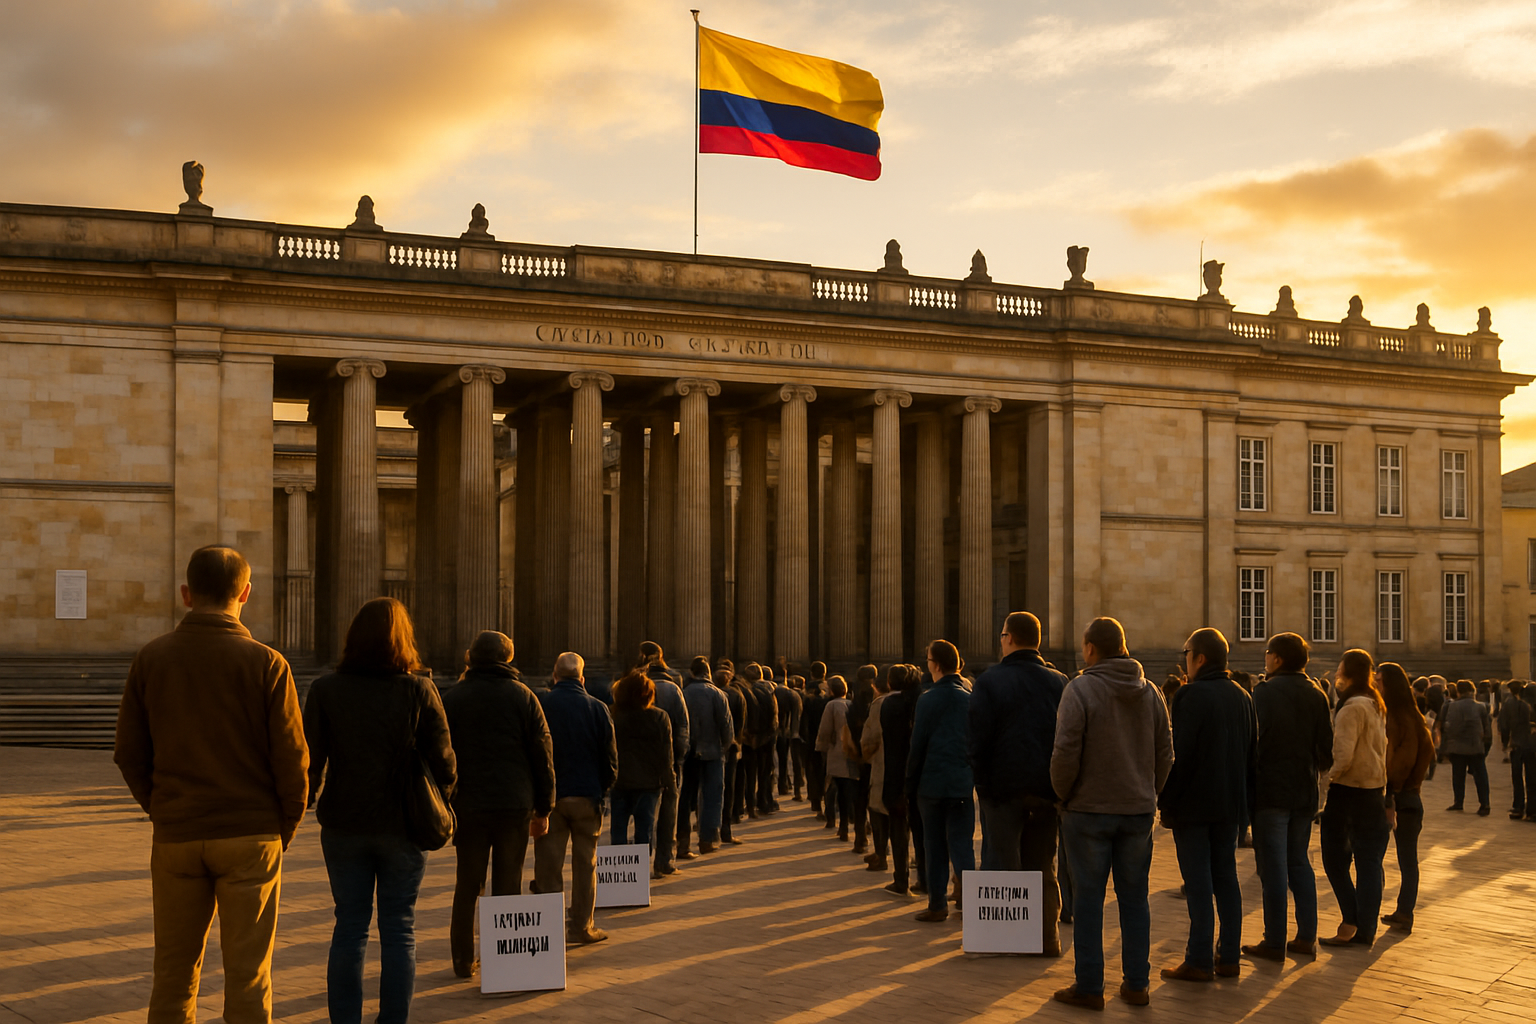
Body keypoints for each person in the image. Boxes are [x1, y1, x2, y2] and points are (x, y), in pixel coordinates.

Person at [114, 546, 309, 1024]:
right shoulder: (268, 663)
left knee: (174, 972)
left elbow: (129, 753)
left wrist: (163, 807)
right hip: (250, 833)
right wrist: (283, 827)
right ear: (246, 593)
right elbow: (293, 760)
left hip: (178, 833)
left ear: (186, 594)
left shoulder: (151, 658)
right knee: (248, 974)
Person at [303, 597, 455, 1024]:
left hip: (344, 822)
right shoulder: (418, 689)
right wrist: (442, 798)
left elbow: (309, 761)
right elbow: (444, 759)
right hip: (403, 824)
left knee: (349, 928)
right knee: (399, 929)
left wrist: (300, 806)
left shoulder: (326, 689)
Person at [1051, 617, 1173, 1011]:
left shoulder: (1080, 688)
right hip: (1136, 810)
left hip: (1088, 810)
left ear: (1090, 649)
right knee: (1134, 897)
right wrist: (1148, 791)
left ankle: (1089, 985)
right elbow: (1166, 752)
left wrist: (1063, 793)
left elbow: (1065, 752)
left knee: (1088, 898)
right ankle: (1137, 983)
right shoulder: (1151, 691)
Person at [439, 631, 555, 979]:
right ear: (509, 658)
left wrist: (446, 797)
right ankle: (501, 960)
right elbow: (542, 754)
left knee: (467, 884)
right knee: (508, 882)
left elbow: (440, 753)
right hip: (513, 804)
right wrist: (545, 806)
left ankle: (462, 960)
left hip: (469, 805)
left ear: (470, 657)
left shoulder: (454, 697)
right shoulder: (524, 697)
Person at [1157, 628, 1257, 983]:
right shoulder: (1243, 696)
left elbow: (1179, 756)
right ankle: (1229, 954)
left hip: (1195, 805)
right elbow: (1251, 754)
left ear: (1199, 658)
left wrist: (1166, 802)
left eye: (1186, 653)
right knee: (1226, 877)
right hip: (1231, 804)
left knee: (1198, 882)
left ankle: (1199, 958)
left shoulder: (1190, 695)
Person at [968, 611, 1068, 955]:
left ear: (1008, 638)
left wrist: (980, 782)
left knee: (1001, 859)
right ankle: (1047, 938)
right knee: (1043, 862)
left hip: (1002, 788)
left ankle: (1005, 940)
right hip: (1046, 788)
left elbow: (978, 738)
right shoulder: (1060, 681)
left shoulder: (990, 681)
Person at [1241, 632, 1333, 963]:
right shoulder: (1316, 693)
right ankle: (1306, 935)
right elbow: (1326, 750)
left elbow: (1253, 742)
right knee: (1299, 862)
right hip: (1303, 791)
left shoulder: (1264, 692)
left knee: (1273, 866)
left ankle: (1274, 939)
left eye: (1267, 653)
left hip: (1270, 791)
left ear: (1277, 658)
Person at [533, 652, 618, 945]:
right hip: (586, 794)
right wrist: (602, 790)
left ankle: (548, 931)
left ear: (554, 676)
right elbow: (610, 758)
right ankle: (581, 926)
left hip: (551, 797)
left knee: (548, 866)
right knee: (585, 864)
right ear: (582, 678)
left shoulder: (541, 704)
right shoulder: (597, 708)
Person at [1319, 649, 1390, 948]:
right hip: (1374, 790)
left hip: (1348, 792)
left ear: (1348, 674)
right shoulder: (1375, 704)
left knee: (1335, 860)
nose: (1336, 675)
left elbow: (1343, 756)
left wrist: (1324, 782)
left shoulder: (1351, 708)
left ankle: (1351, 918)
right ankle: (1366, 928)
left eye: (1339, 670)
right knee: (1369, 863)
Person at [907, 641, 976, 922]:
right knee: (962, 845)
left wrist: (910, 783)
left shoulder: (928, 699)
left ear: (935, 664)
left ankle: (937, 905)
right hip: (961, 782)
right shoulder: (970, 698)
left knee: (934, 846)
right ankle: (972, 903)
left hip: (932, 784)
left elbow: (918, 745)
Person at [1377, 662, 1434, 933]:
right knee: (1408, 860)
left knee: (1378, 856)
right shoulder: (1415, 717)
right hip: (1411, 796)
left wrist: (1390, 789)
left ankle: (1398, 911)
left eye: (1378, 680)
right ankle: (1403, 911)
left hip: (1397, 797)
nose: (1375, 683)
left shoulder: (1398, 719)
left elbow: (1401, 761)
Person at [609, 669, 674, 853]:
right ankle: (640, 875)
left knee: (618, 831)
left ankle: (620, 874)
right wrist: (669, 781)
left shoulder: (612, 716)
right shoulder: (659, 717)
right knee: (644, 831)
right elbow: (666, 754)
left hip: (620, 781)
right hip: (649, 783)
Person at [639, 642, 690, 873]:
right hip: (667, 758)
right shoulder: (674, 687)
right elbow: (682, 727)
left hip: (639, 760)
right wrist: (679, 757)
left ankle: (637, 868)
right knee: (669, 808)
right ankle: (664, 861)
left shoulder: (631, 684)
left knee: (643, 813)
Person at [679, 656, 734, 854]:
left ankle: (682, 842)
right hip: (712, 752)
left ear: (692, 673)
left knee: (684, 797)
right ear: (708, 673)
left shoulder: (683, 693)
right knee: (712, 796)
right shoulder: (718, 694)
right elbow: (727, 728)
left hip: (688, 753)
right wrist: (724, 748)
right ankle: (708, 839)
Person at [878, 664, 922, 895]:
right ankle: (924, 878)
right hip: (920, 774)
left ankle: (901, 878)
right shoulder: (919, 702)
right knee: (923, 830)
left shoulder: (890, 705)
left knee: (898, 830)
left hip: (895, 774)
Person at [1440, 679, 1493, 815]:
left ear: (1458, 691)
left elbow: (1445, 726)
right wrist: (1485, 746)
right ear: (1472, 691)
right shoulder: (1481, 706)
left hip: (1456, 746)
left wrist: (1445, 746)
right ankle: (1484, 803)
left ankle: (1458, 802)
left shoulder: (1450, 706)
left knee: (1458, 775)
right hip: (1476, 746)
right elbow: (1487, 729)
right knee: (1480, 776)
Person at [860, 669, 893, 873]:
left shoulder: (879, 704)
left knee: (878, 810)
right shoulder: (916, 700)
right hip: (908, 769)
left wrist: (866, 757)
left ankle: (881, 854)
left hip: (882, 766)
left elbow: (868, 740)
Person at [817, 676, 856, 839]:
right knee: (850, 791)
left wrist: (822, 749)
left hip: (837, 753)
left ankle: (842, 826)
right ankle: (853, 823)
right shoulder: (852, 705)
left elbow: (825, 731)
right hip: (852, 753)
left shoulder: (831, 705)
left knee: (837, 790)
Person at [847, 664, 880, 854]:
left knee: (859, 801)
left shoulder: (855, 704)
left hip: (859, 758)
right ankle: (880, 846)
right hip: (877, 759)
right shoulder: (881, 702)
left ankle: (860, 839)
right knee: (877, 804)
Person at [716, 658, 747, 844]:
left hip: (708, 748)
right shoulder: (737, 696)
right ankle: (726, 828)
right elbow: (741, 725)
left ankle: (706, 829)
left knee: (706, 790)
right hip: (731, 747)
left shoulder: (705, 693)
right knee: (728, 788)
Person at [746, 662, 780, 815]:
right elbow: (775, 717)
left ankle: (750, 805)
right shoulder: (771, 691)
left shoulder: (747, 691)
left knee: (750, 773)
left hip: (751, 738)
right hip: (767, 738)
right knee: (766, 771)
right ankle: (765, 801)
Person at [1500, 679, 1535, 820]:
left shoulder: (1510, 704)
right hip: (1532, 745)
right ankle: (1532, 809)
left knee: (1517, 777)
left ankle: (1518, 807)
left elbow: (1504, 725)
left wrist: (1505, 743)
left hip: (1516, 744)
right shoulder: (1530, 706)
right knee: (1532, 778)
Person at [801, 665, 830, 819]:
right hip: (829, 740)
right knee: (828, 772)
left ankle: (816, 802)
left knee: (812, 771)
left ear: (811, 674)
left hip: (811, 739)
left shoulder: (806, 696)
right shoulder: (830, 694)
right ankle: (829, 803)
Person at [775, 669, 803, 800]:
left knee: (780, 758)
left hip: (779, 730)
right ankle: (796, 789)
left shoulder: (774, 692)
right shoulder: (795, 695)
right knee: (795, 760)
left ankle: (783, 784)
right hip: (792, 731)